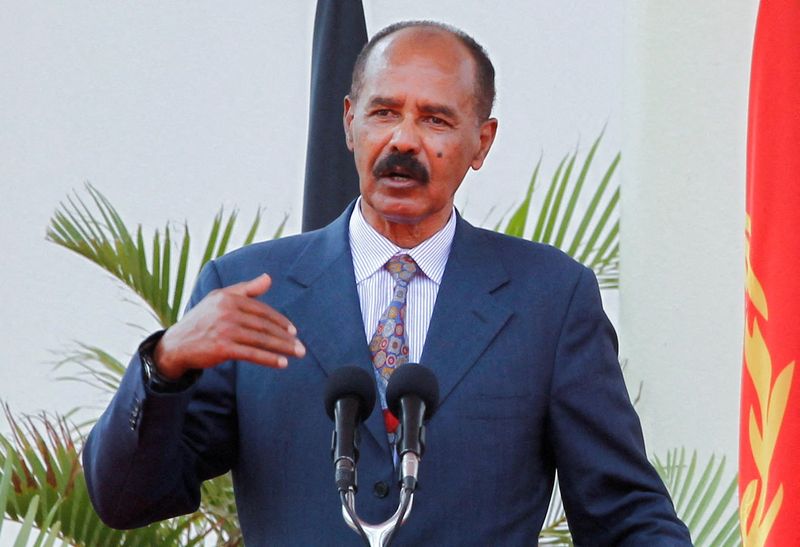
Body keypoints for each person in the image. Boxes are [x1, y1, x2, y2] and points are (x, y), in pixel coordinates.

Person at [83, 21, 692, 545]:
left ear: (481, 142)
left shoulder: (549, 299)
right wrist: (165, 364)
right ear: (349, 123)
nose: (403, 139)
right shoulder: (249, 288)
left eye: (435, 119)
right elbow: (127, 501)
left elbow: (622, 513)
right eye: (383, 112)